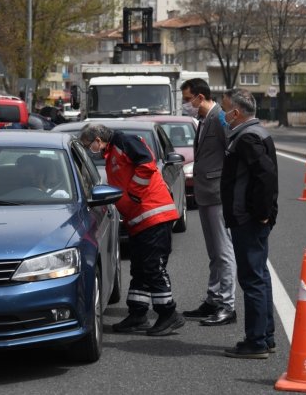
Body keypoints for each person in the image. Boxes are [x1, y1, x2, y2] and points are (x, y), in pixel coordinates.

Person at [79, 123, 185, 336]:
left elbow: (146, 164)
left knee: (153, 267)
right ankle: (138, 314)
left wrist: (134, 195)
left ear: (98, 140)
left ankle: (168, 314)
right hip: (140, 219)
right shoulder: (111, 153)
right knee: (139, 268)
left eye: (89, 145)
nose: (90, 149)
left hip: (153, 214)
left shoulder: (124, 142)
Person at [220, 88, 279, 359]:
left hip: (248, 218)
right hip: (253, 218)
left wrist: (262, 213)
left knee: (252, 279)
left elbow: (265, 176)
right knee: (261, 277)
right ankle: (265, 337)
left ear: (237, 112)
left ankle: (255, 342)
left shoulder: (246, 138)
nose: (223, 114)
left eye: (226, 110)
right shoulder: (257, 132)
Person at [180, 78, 237, 326]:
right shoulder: (203, 120)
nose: (185, 104)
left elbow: (232, 152)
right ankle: (213, 299)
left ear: (199, 97)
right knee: (214, 251)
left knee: (224, 251)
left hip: (217, 193)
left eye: (187, 99)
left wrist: (227, 184)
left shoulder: (220, 118)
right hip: (205, 193)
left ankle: (228, 305)